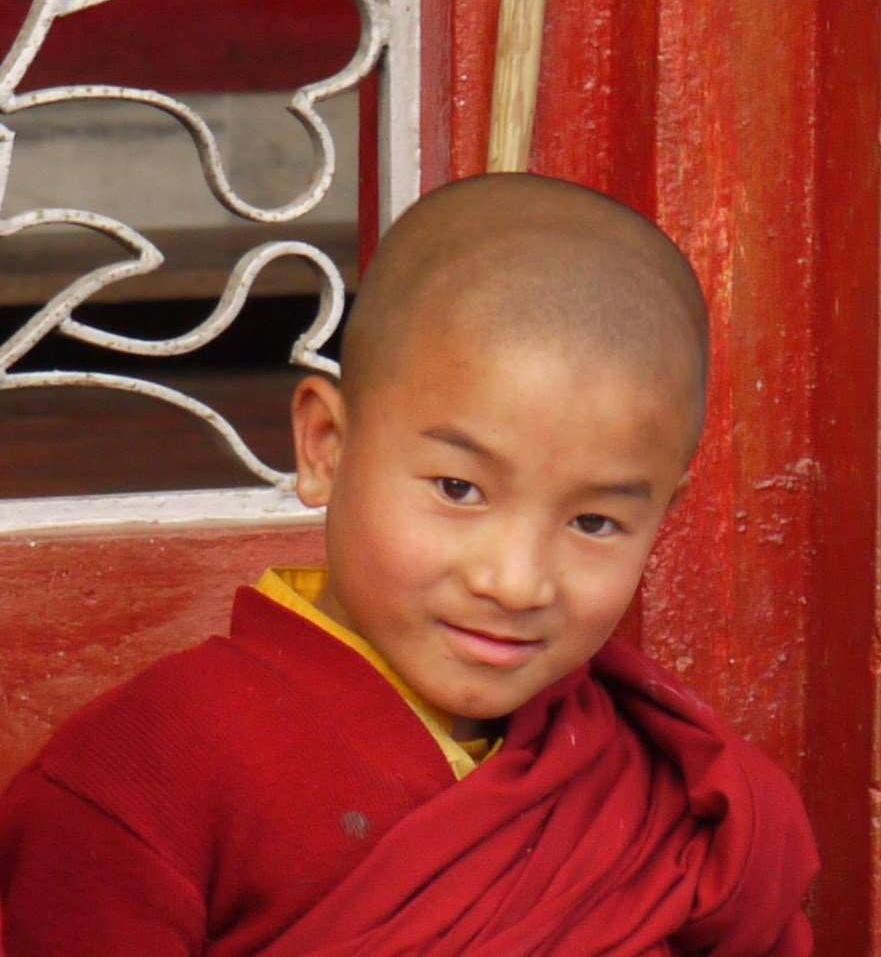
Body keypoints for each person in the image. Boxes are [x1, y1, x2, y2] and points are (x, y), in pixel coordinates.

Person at [0, 174, 819, 954]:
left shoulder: (654, 794)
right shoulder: (145, 776)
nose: (514, 580)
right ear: (326, 445)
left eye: (595, 521)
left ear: (662, 519)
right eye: (459, 488)